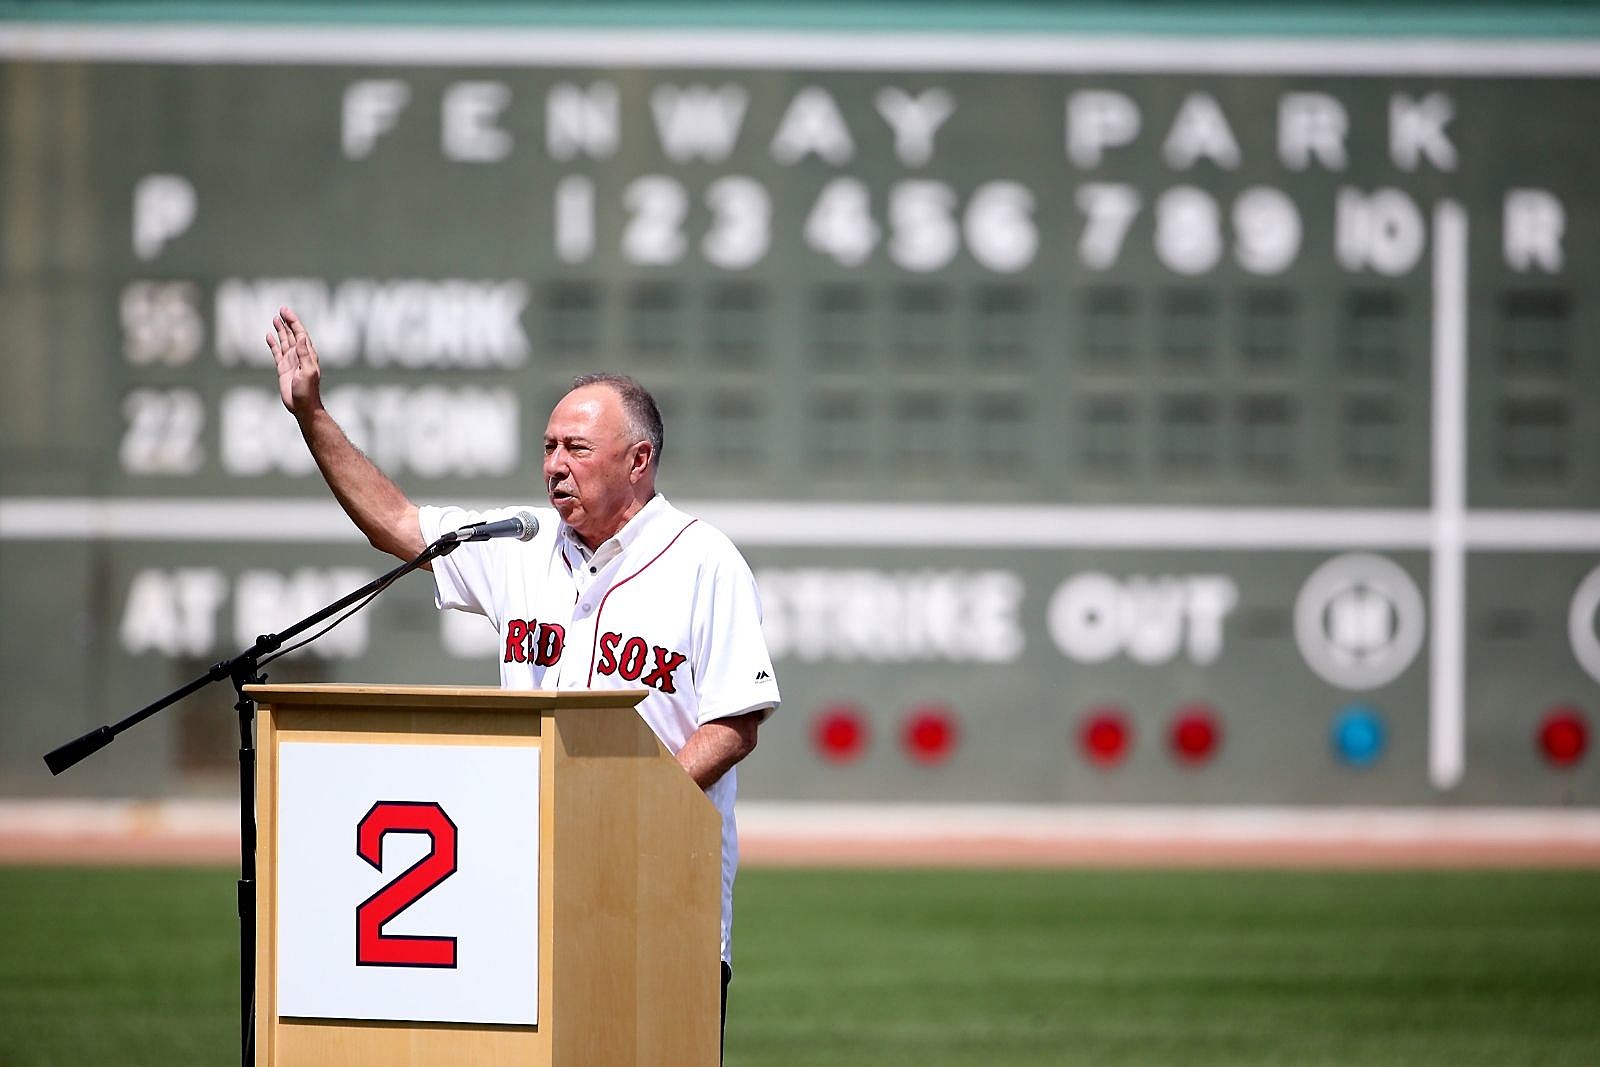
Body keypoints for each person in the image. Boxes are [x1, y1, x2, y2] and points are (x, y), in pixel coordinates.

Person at [267, 305, 778, 1050]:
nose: (553, 464)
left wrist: (626, 808)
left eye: (576, 446)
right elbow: (399, 525)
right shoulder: (520, 543)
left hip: (661, 893)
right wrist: (311, 414)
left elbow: (735, 724)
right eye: (547, 447)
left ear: (638, 460)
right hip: (521, 896)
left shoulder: (705, 561)